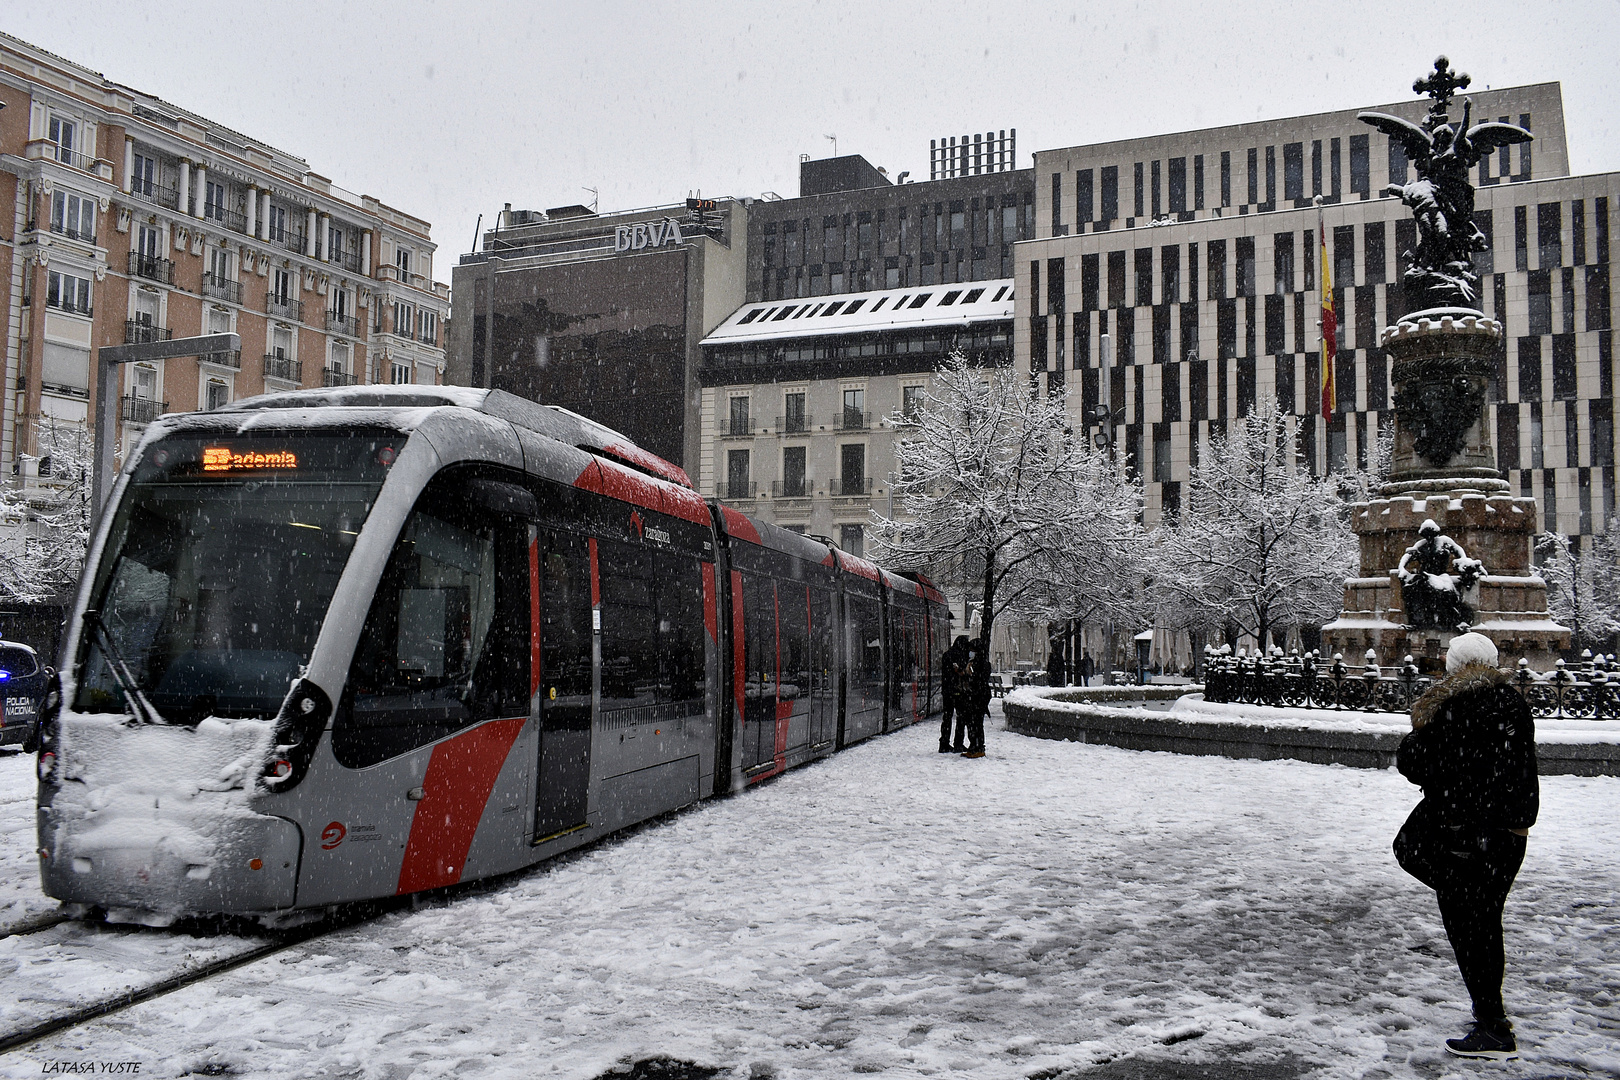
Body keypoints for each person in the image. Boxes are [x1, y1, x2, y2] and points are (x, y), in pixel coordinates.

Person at [1394, 632, 1537, 1061]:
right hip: (1508, 837)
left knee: (1471, 927)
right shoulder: (1512, 704)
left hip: (1465, 836)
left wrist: (1422, 729)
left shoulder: (1454, 709)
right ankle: (1491, 1019)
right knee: (1484, 923)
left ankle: (1493, 1028)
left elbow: (1417, 764)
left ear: (1454, 666)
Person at [938, 636, 970, 754]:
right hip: (958, 691)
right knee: (961, 717)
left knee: (947, 717)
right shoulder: (961, 655)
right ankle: (958, 743)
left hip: (947, 690)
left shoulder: (947, 655)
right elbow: (963, 673)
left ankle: (944, 743)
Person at [961, 642, 991, 758]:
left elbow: (979, 680)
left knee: (976, 723)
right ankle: (974, 746)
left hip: (978, 697)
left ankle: (978, 747)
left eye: (972, 650)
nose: (970, 652)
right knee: (972, 723)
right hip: (976, 696)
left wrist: (969, 674)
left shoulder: (981, 664)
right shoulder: (976, 663)